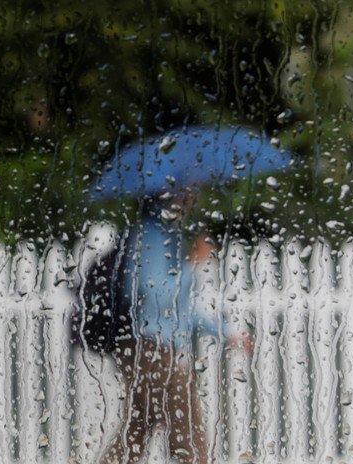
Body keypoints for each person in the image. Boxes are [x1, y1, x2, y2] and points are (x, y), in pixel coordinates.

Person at [75, 125, 291, 463]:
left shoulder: (167, 236)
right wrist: (194, 263)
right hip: (150, 349)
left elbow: (181, 312)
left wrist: (224, 332)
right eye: (187, 188)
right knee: (188, 433)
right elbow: (155, 294)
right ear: (166, 193)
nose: (194, 194)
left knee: (136, 432)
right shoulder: (148, 237)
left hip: (154, 347)